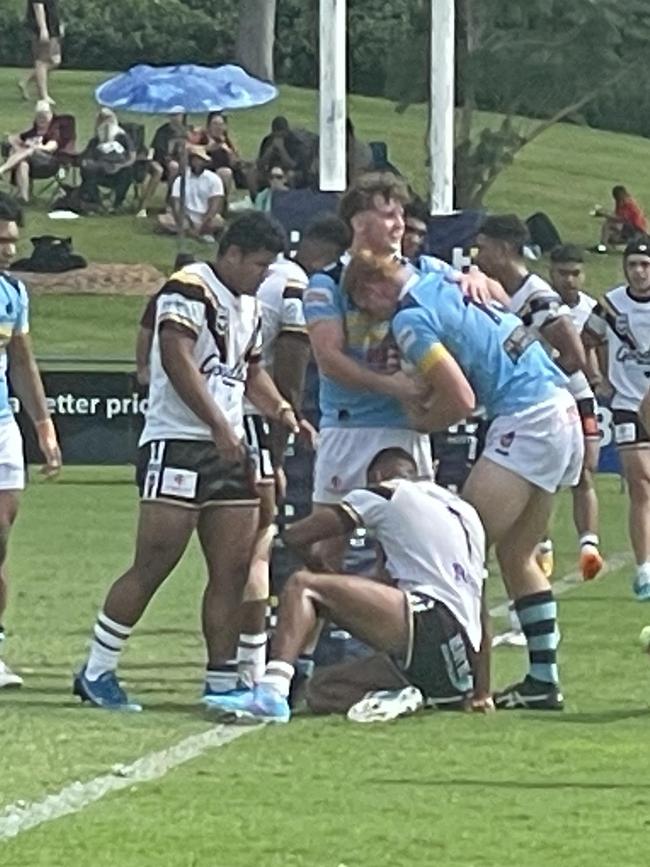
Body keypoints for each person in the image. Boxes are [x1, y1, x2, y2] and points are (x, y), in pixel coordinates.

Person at [73, 212, 297, 711]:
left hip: (230, 446)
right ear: (232, 254)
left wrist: (280, 408)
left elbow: (250, 370)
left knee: (233, 568)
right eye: (259, 264)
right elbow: (175, 357)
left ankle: (222, 680)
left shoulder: (251, 305)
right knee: (156, 561)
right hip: (179, 441)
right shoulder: (189, 287)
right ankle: (96, 669)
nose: (264, 274)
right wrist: (217, 423)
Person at [343, 251, 584, 710]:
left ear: (372, 289)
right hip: (559, 406)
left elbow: (460, 397)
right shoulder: (439, 276)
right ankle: (542, 680)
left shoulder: (410, 319)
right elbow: (485, 287)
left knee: (460, 550)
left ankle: (469, 687)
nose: (369, 318)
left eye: (364, 305)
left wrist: (419, 420)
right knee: (517, 555)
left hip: (527, 415)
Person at [304, 172, 502, 571]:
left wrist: (478, 278)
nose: (399, 225)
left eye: (400, 214)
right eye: (388, 215)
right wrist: (394, 386)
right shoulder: (327, 284)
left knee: (409, 550)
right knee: (327, 548)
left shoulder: (426, 269)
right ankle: (311, 631)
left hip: (407, 429)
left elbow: (497, 297)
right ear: (359, 223)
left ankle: (394, 632)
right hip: (350, 427)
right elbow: (330, 359)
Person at [204, 447, 487, 724]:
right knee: (321, 691)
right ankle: (401, 696)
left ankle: (271, 691)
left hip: (430, 620)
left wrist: (316, 565)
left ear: (376, 475)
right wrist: (481, 690)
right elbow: (480, 604)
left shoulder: (386, 492)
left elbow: (298, 536)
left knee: (303, 586)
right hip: (459, 660)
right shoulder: (465, 512)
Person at [234, 215, 351, 690]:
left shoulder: (257, 286)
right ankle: (275, 663)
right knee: (273, 543)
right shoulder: (295, 285)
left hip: (235, 417)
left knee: (250, 549)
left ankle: (246, 664)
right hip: (257, 424)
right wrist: (285, 430)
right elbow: (292, 362)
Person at [475, 215, 602, 581]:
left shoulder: (537, 298)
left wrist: (538, 381)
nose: (477, 256)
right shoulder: (502, 291)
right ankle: (539, 564)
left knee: (571, 479)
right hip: (526, 408)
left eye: (482, 247)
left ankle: (580, 546)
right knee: (531, 497)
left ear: (502, 250)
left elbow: (575, 355)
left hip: (555, 405)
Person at [0, 193, 62, 688]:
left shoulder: (13, 295)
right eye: (0, 241)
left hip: (2, 426)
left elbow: (22, 361)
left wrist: (42, 424)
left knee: (0, 539)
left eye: (11, 242)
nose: (6, 250)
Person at [583, 236, 650, 601]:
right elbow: (586, 339)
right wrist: (599, 378)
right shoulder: (610, 305)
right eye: (633, 265)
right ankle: (644, 571)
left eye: (645, 265)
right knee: (640, 485)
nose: (639, 272)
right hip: (627, 403)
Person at [548, 245, 603, 574]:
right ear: (551, 273)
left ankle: (589, 547)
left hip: (581, 396)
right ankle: (542, 544)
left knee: (586, 468)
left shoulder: (592, 309)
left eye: (575, 273)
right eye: (563, 273)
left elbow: (599, 347)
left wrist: (599, 377)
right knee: (544, 475)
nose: (569, 280)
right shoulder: (539, 306)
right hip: (546, 398)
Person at [157, 145, 225, 241]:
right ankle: (195, 233)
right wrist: (183, 219)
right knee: (164, 220)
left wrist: (204, 221)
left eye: (200, 160)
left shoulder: (214, 179)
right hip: (186, 217)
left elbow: (215, 205)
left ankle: (194, 232)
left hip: (204, 217)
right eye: (194, 160)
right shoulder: (181, 179)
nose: (197, 163)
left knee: (218, 221)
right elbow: (176, 203)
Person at [0, 101, 61, 204]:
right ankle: (24, 198)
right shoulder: (32, 132)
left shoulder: (53, 132)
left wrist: (38, 147)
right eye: (39, 116)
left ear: (50, 116)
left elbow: (52, 147)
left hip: (47, 164)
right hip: (31, 163)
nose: (41, 119)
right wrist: (18, 148)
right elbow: (11, 138)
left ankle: (2, 169)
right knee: (22, 163)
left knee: (30, 151)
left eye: (44, 116)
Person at [79, 109, 136, 211]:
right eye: (103, 119)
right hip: (99, 172)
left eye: (108, 119)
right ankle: (96, 202)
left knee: (128, 171)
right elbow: (86, 158)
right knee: (86, 170)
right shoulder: (95, 141)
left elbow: (132, 157)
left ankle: (117, 204)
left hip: (119, 172)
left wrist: (120, 166)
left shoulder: (123, 138)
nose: (106, 123)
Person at [136, 113, 188, 219]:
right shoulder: (163, 131)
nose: (175, 118)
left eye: (178, 115)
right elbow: (158, 151)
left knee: (179, 167)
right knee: (168, 168)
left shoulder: (186, 132)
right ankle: (145, 206)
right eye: (173, 115)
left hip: (182, 163)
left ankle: (175, 204)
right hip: (160, 161)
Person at [19, 0, 62, 105]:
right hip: (41, 28)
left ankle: (26, 80)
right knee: (42, 61)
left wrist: (58, 24)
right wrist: (43, 28)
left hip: (52, 27)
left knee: (55, 60)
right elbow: (38, 6)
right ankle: (43, 96)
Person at [593, 185, 648, 254]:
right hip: (628, 229)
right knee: (610, 235)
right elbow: (617, 216)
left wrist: (604, 214)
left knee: (608, 224)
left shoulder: (629, 203)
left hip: (637, 231)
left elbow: (621, 219)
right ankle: (604, 246)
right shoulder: (621, 202)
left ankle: (603, 247)